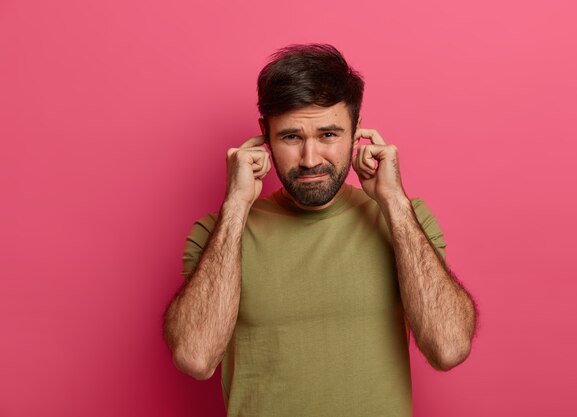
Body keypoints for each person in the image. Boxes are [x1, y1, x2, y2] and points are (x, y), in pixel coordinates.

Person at [162, 43, 478, 416]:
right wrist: (235, 206)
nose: (310, 160)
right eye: (291, 137)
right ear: (264, 136)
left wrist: (393, 201)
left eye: (328, 135)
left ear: (357, 131)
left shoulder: (405, 221)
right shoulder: (217, 234)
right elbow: (195, 358)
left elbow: (449, 348)